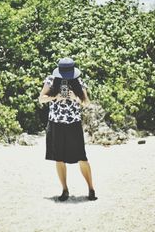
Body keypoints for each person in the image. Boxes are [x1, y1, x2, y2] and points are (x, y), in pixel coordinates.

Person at [39, 57, 98, 201]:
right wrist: (55, 96)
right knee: (59, 158)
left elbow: (86, 102)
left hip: (73, 124)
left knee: (82, 158)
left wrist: (76, 98)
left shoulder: (78, 81)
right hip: (56, 124)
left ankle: (91, 189)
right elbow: (41, 99)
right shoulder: (51, 80)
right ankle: (64, 190)